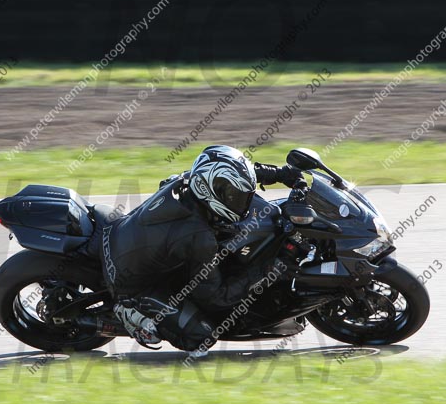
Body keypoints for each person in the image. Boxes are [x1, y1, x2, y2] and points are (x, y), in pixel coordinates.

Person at [101, 145, 303, 355]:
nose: (242, 202)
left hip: (121, 236)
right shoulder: (199, 236)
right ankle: (131, 310)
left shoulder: (190, 182)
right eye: (234, 195)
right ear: (210, 191)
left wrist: (281, 173)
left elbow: (241, 173)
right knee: (202, 336)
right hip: (129, 281)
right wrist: (270, 269)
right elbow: (215, 298)